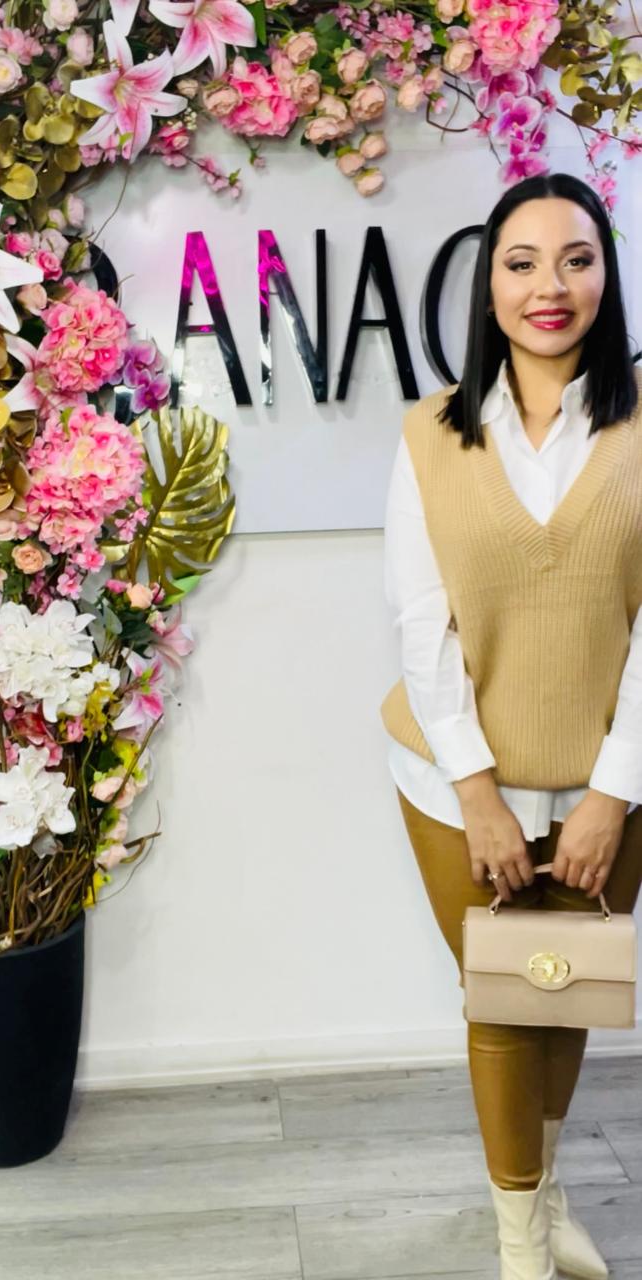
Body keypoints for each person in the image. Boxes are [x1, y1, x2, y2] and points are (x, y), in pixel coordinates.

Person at [381, 171, 642, 1280]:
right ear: (487, 287)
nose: (550, 286)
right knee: (500, 999)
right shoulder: (431, 433)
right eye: (522, 262)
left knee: (564, 986)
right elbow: (421, 618)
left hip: (609, 777)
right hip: (452, 776)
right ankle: (519, 1245)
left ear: (607, 277)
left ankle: (544, 1192)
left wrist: (611, 791)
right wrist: (477, 789)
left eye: (577, 259)